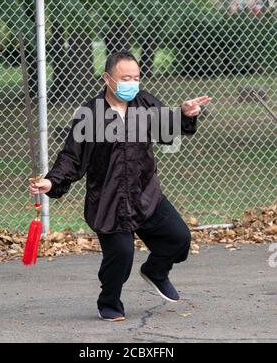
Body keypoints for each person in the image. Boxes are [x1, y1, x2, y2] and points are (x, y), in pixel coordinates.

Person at [29, 50, 212, 322]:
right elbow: (72, 156)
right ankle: (110, 301)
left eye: (136, 77)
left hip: (145, 194)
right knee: (121, 256)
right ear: (107, 78)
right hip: (109, 200)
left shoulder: (146, 103)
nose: (132, 83)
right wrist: (51, 180)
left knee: (179, 239)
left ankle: (156, 272)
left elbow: (167, 130)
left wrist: (185, 114)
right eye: (125, 78)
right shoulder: (90, 114)